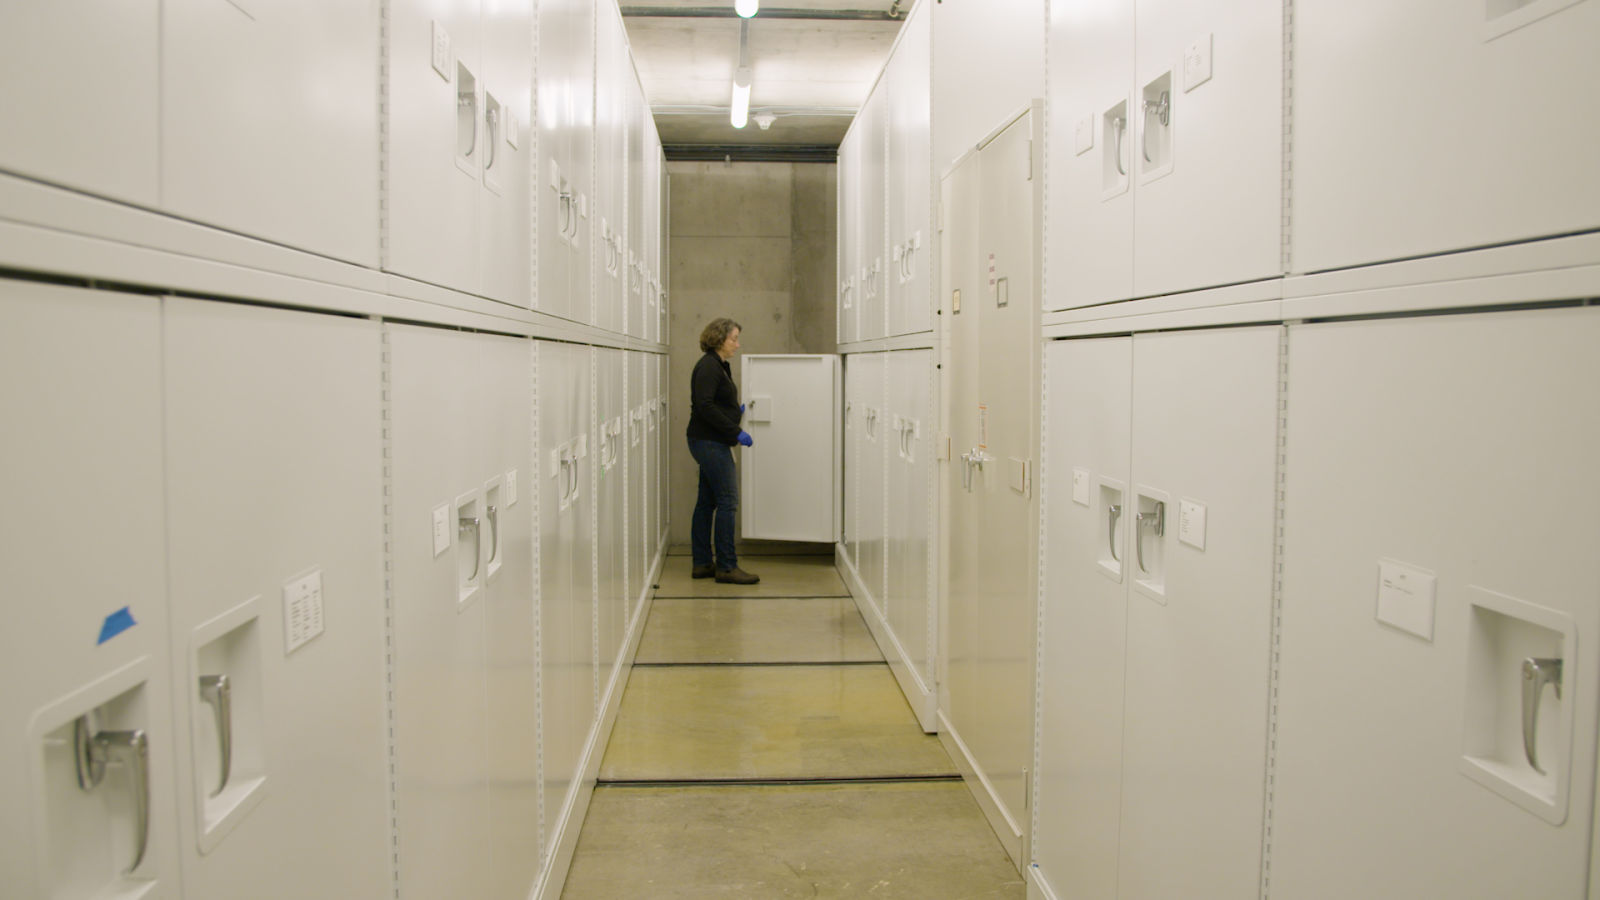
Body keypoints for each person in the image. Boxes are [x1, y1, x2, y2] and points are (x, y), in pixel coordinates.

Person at [686, 317, 760, 585]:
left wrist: (733, 415)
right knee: (728, 501)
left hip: (709, 440)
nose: (737, 345)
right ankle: (727, 566)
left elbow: (714, 403)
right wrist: (734, 432)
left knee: (707, 503)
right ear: (719, 338)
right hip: (710, 442)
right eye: (734, 339)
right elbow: (704, 407)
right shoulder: (709, 367)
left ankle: (703, 563)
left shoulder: (718, 365)